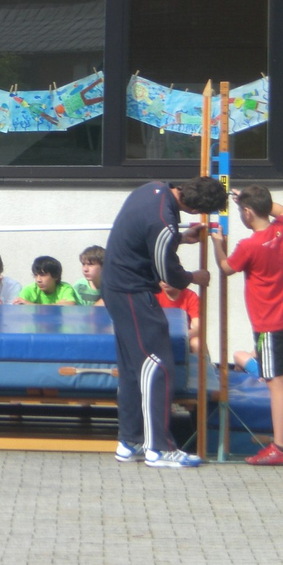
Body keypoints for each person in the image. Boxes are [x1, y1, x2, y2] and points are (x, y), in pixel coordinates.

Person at [103, 176, 227, 468]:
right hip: (132, 291)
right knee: (157, 364)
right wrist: (194, 277)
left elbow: (145, 237)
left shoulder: (152, 188)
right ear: (195, 210)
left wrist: (181, 237)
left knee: (133, 367)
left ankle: (130, 441)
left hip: (116, 286)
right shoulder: (163, 222)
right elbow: (168, 274)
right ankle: (159, 448)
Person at [211, 184, 283, 465]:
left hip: (269, 324)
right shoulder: (280, 229)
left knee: (276, 384)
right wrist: (254, 200)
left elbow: (226, 268)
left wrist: (217, 243)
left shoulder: (249, 246)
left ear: (248, 213)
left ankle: (279, 447)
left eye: (242, 210)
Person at [13, 256, 82, 305]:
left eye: (42, 275)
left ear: (56, 276)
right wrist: (57, 305)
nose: (38, 280)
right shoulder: (30, 289)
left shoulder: (64, 288)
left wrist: (30, 304)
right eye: (36, 275)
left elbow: (70, 304)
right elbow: (19, 307)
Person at [156, 281, 201, 354]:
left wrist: (181, 336)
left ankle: (202, 361)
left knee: (197, 343)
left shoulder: (190, 296)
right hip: (159, 336)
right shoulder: (155, 294)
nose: (164, 282)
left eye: (169, 277)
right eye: (161, 278)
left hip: (184, 337)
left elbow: (198, 328)